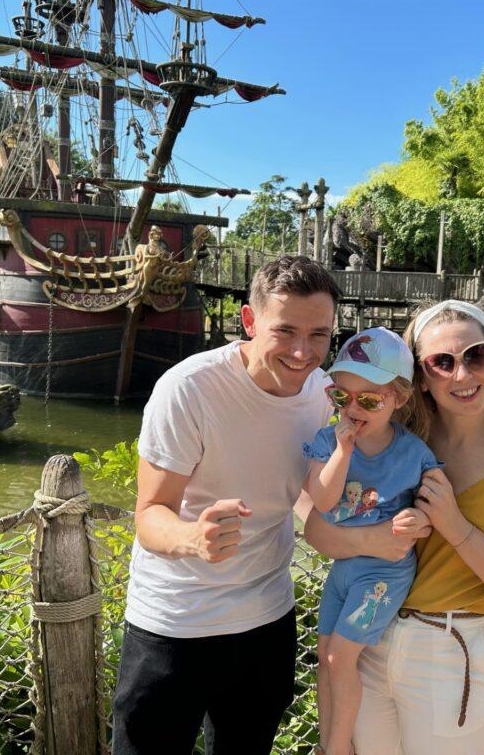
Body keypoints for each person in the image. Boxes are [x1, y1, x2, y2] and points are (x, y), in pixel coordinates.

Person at [112, 256, 354, 755]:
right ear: (249, 320)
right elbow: (150, 514)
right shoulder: (189, 389)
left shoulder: (322, 393)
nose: (302, 352)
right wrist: (192, 537)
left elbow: (304, 490)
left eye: (319, 335)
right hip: (176, 621)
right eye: (284, 331)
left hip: (268, 618)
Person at [304, 299, 484, 755]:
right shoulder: (391, 441)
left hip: (451, 652)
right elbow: (318, 530)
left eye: (477, 355)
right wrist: (376, 540)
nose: (462, 374)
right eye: (441, 362)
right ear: (419, 380)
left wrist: (456, 527)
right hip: (371, 639)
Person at [301, 327, 440, 755]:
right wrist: (343, 450)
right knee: (325, 655)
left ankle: (338, 747)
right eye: (341, 397)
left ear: (399, 398)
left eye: (369, 400)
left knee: (340, 658)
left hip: (384, 573)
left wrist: (420, 519)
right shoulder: (328, 441)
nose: (353, 409)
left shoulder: (414, 453)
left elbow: (437, 507)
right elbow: (323, 499)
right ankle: (330, 741)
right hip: (344, 569)